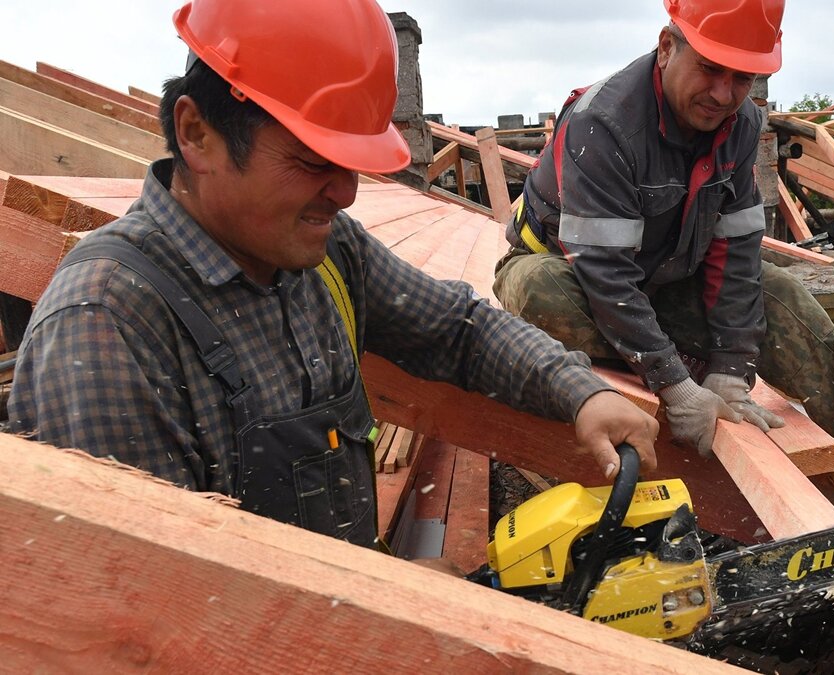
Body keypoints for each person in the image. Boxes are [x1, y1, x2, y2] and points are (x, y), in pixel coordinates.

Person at [5, 0, 658, 548]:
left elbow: (458, 330)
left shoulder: (322, 255)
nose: (345, 194)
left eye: (352, 162)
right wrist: (399, 609)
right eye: (312, 160)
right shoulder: (109, 326)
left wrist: (579, 390)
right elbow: (158, 620)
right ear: (197, 133)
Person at [493, 0, 834, 499]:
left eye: (741, 78)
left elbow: (736, 254)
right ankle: (664, 362)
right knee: (538, 291)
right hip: (569, 274)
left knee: (779, 289)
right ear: (667, 46)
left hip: (662, 280)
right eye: (710, 69)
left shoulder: (741, 128)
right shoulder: (604, 126)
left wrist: (730, 370)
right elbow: (605, 275)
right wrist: (675, 385)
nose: (723, 94)